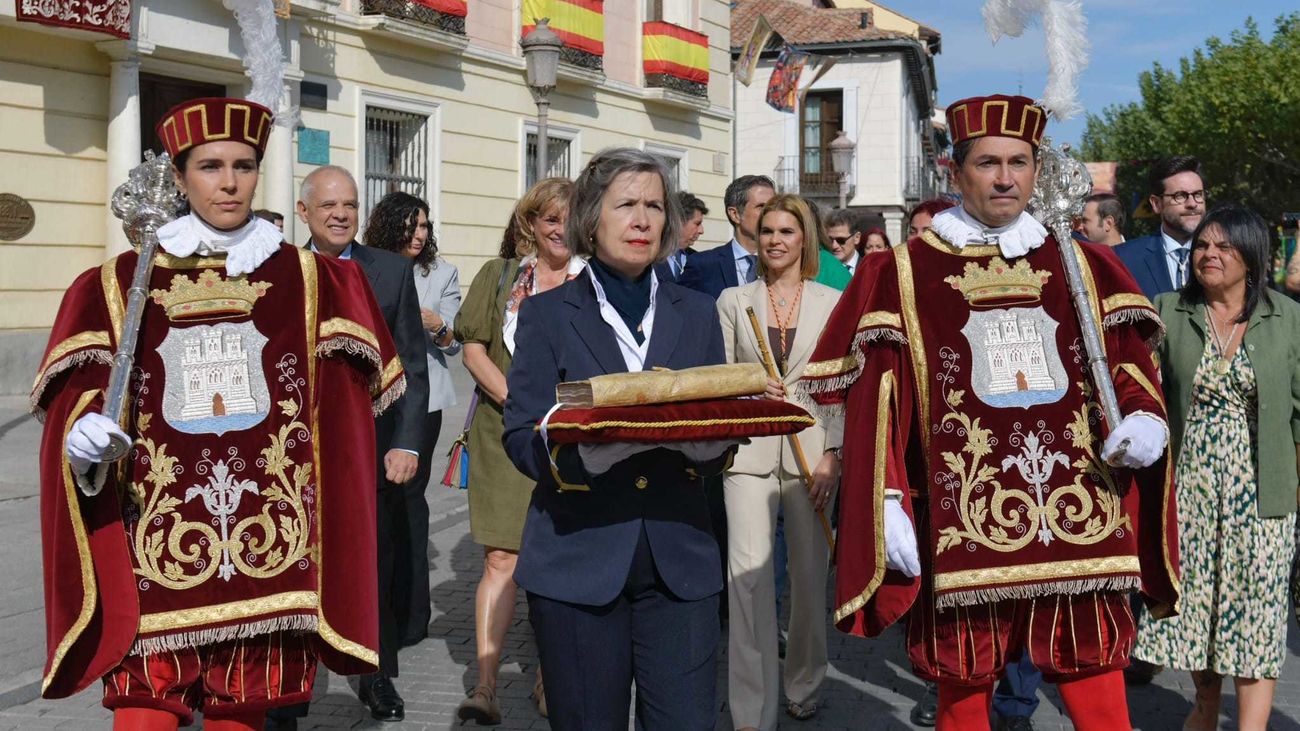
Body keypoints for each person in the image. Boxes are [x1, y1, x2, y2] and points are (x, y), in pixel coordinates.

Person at [801, 94, 1179, 731]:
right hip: (961, 520)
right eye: (988, 163)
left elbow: (1128, 365)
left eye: (1018, 162)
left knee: (1095, 676)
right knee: (964, 683)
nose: (1006, 178)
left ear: (1037, 170)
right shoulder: (901, 271)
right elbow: (877, 402)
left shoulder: (1084, 264)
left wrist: (1143, 419)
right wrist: (887, 497)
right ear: (955, 172)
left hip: (1079, 511)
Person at [38, 96, 399, 731]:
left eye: (243, 165)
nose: (229, 182)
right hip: (155, 548)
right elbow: (84, 399)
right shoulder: (117, 284)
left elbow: (344, 422)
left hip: (272, 550)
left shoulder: (318, 281)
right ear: (179, 178)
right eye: (209, 166)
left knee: (243, 714)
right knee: (144, 714)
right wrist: (82, 433)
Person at [503, 148, 737, 730]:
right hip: (578, 562)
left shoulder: (698, 312)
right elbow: (520, 435)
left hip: (680, 564)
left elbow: (716, 421)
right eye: (626, 204)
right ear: (590, 220)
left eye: (655, 206)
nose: (642, 220)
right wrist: (586, 456)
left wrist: (715, 447)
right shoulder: (546, 315)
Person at [1133, 205, 1300, 731]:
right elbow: (1139, 391)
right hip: (1190, 490)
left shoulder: (1287, 317)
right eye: (1203, 245)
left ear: (1251, 256)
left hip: (1264, 490)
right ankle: (1204, 709)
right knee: (1199, 613)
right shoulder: (1168, 309)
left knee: (1258, 616)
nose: (1209, 254)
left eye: (1224, 246)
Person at [295, 166, 430, 722]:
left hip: (371, 446)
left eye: (349, 204)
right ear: (304, 212)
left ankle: (374, 676)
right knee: (298, 568)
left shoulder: (391, 271)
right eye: (328, 205)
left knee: (372, 563)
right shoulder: (281, 271)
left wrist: (408, 443)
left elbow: (413, 365)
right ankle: (291, 686)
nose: (340, 214)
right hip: (295, 453)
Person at [452, 177, 583, 724]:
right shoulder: (500, 275)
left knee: (561, 559)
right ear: (531, 223)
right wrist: (519, 402)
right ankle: (485, 687)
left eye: (570, 219)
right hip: (502, 433)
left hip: (571, 437)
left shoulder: (595, 281)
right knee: (501, 558)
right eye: (550, 219)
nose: (560, 229)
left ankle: (550, 679)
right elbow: (473, 349)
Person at [717, 193, 841, 729]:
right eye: (767, 230)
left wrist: (834, 455)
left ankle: (805, 680)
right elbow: (720, 377)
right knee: (747, 580)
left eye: (786, 231)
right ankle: (752, 709)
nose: (775, 240)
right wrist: (749, 384)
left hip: (812, 455)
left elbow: (843, 385)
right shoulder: (732, 300)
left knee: (810, 580)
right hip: (748, 452)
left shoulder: (831, 302)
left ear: (804, 238)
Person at [361, 191, 462, 647]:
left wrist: (436, 324)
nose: (419, 234)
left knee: (409, 501)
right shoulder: (365, 266)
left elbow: (454, 343)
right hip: (371, 400)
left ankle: (411, 615)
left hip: (424, 401)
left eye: (424, 226)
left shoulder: (441, 273)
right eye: (411, 225)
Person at [1115, 156, 1207, 300]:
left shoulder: (1225, 255)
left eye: (1198, 194)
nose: (1192, 204)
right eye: (1180, 196)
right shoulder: (1124, 259)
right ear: (1157, 204)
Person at [679, 174, 774, 298]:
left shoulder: (784, 264)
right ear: (735, 214)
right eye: (761, 207)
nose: (770, 214)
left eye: (772, 207)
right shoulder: (703, 266)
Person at [655, 191, 706, 283]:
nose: (701, 231)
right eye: (697, 223)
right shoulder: (650, 257)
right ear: (677, 221)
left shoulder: (697, 259)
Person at [823, 208, 861, 273]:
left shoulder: (870, 269)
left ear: (856, 238)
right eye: (830, 240)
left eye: (840, 240)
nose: (834, 246)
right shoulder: (820, 270)